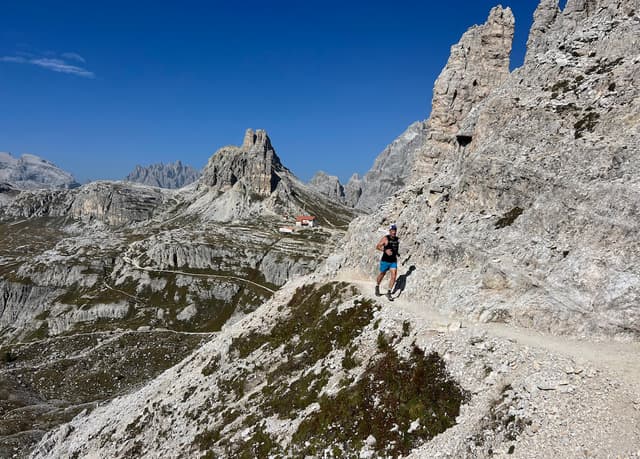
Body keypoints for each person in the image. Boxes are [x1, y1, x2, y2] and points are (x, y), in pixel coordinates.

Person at [375, 224, 400, 299]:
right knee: (382, 274)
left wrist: (397, 253)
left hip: (393, 261)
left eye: (395, 230)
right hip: (385, 260)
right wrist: (385, 250)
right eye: (392, 231)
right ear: (390, 231)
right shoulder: (385, 238)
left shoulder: (397, 239)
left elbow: (395, 248)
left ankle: (389, 292)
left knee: (394, 275)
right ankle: (377, 286)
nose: (394, 232)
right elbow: (377, 246)